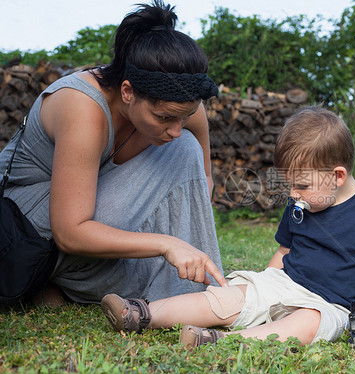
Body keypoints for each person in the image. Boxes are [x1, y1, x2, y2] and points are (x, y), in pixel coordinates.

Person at [100, 106, 355, 347]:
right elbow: (284, 250)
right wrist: (261, 292)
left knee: (307, 323)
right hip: (285, 283)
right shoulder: (300, 202)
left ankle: (219, 341)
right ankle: (141, 313)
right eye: (290, 185)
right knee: (227, 298)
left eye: (300, 185)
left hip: (330, 304)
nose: (293, 194)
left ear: (337, 176)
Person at [0, 0, 227, 305]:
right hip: (29, 229)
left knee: (184, 147)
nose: (175, 128)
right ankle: (68, 284)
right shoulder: (83, 108)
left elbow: (202, 183)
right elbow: (69, 232)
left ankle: (182, 289)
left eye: (184, 116)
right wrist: (166, 243)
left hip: (86, 221)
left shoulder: (180, 106)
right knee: (182, 147)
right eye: (164, 118)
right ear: (127, 91)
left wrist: (180, 238)